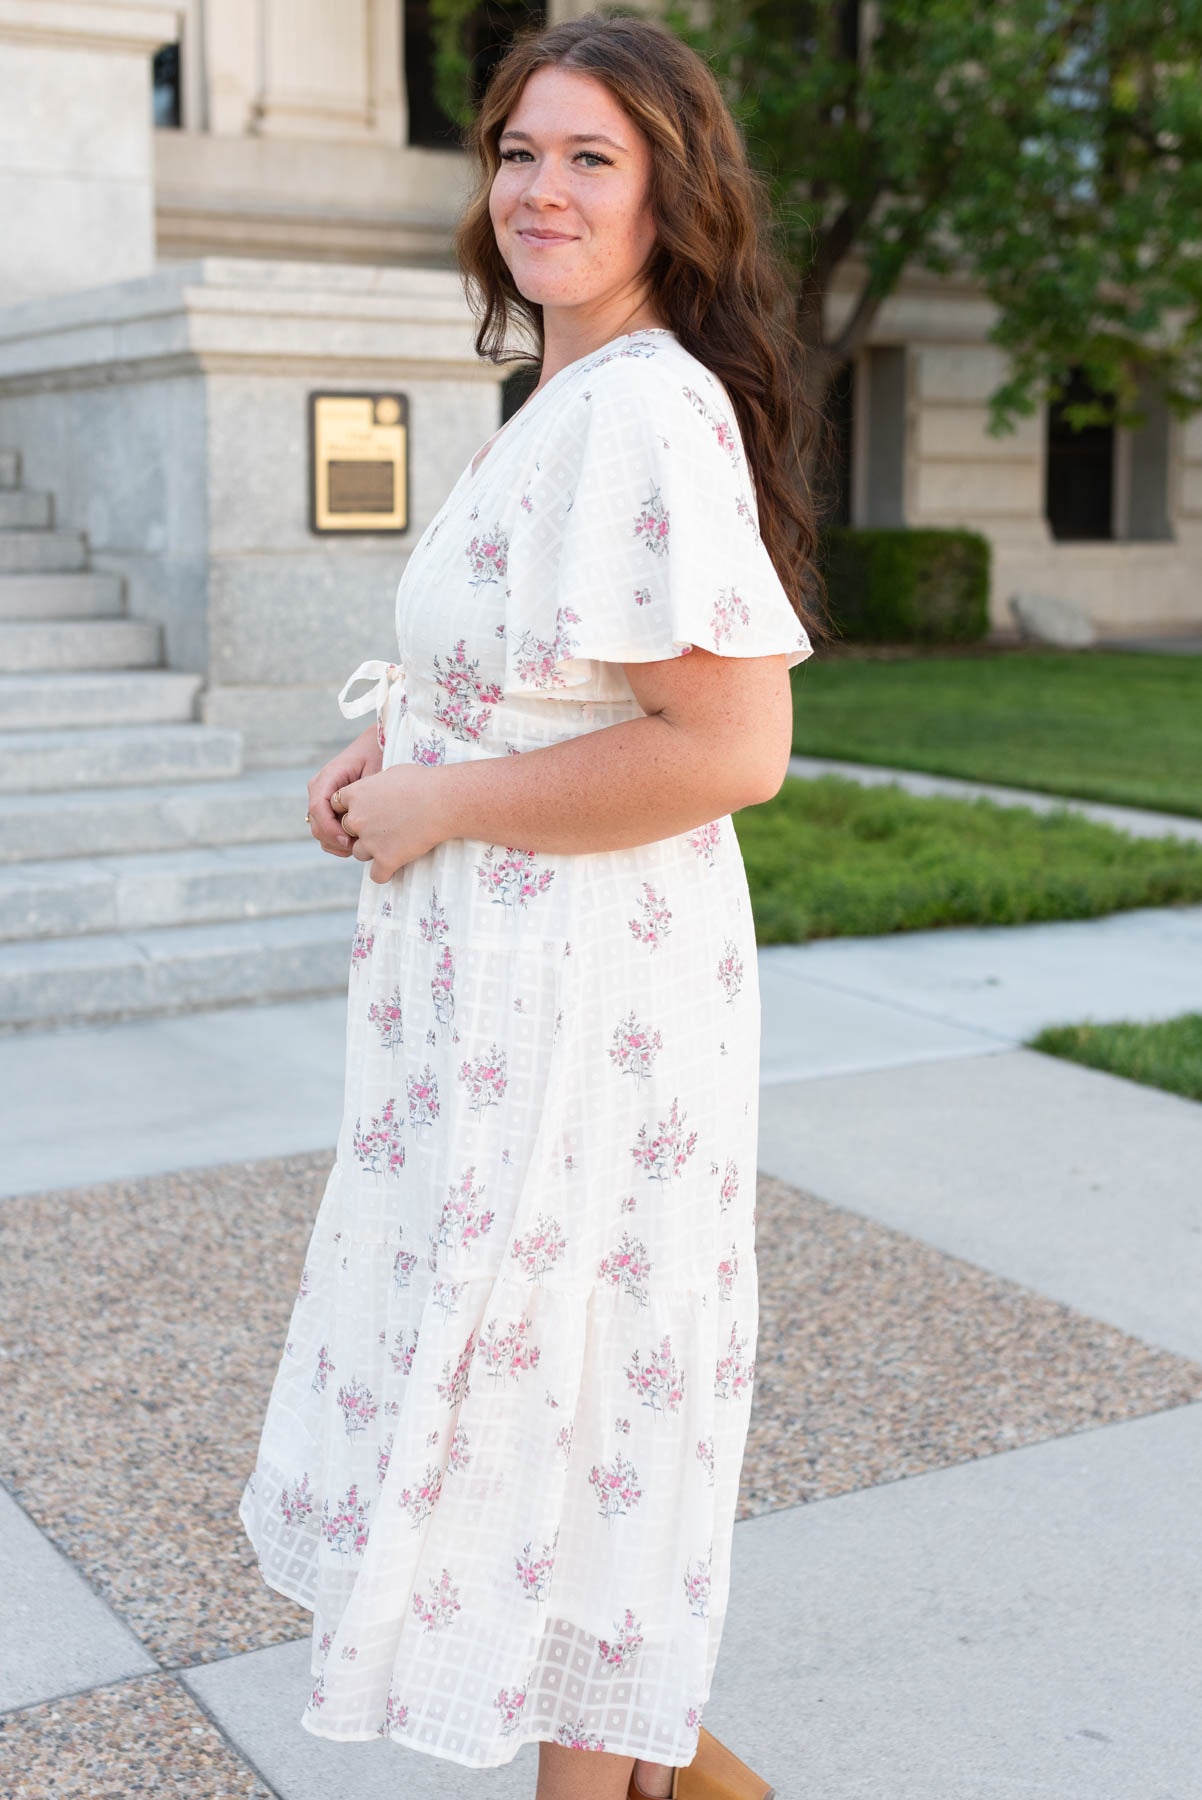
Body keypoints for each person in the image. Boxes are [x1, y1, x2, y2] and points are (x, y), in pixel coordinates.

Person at [239, 11, 827, 1799]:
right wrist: (386, 766)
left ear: (669, 197)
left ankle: (643, 1771)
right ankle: (675, 1772)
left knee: (568, 1411)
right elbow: (546, 688)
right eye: (517, 151)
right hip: (505, 997)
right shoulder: (571, 401)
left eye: (592, 157)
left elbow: (730, 746)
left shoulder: (644, 408)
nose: (541, 189)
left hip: (584, 1008)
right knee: (544, 1403)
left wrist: (447, 799)